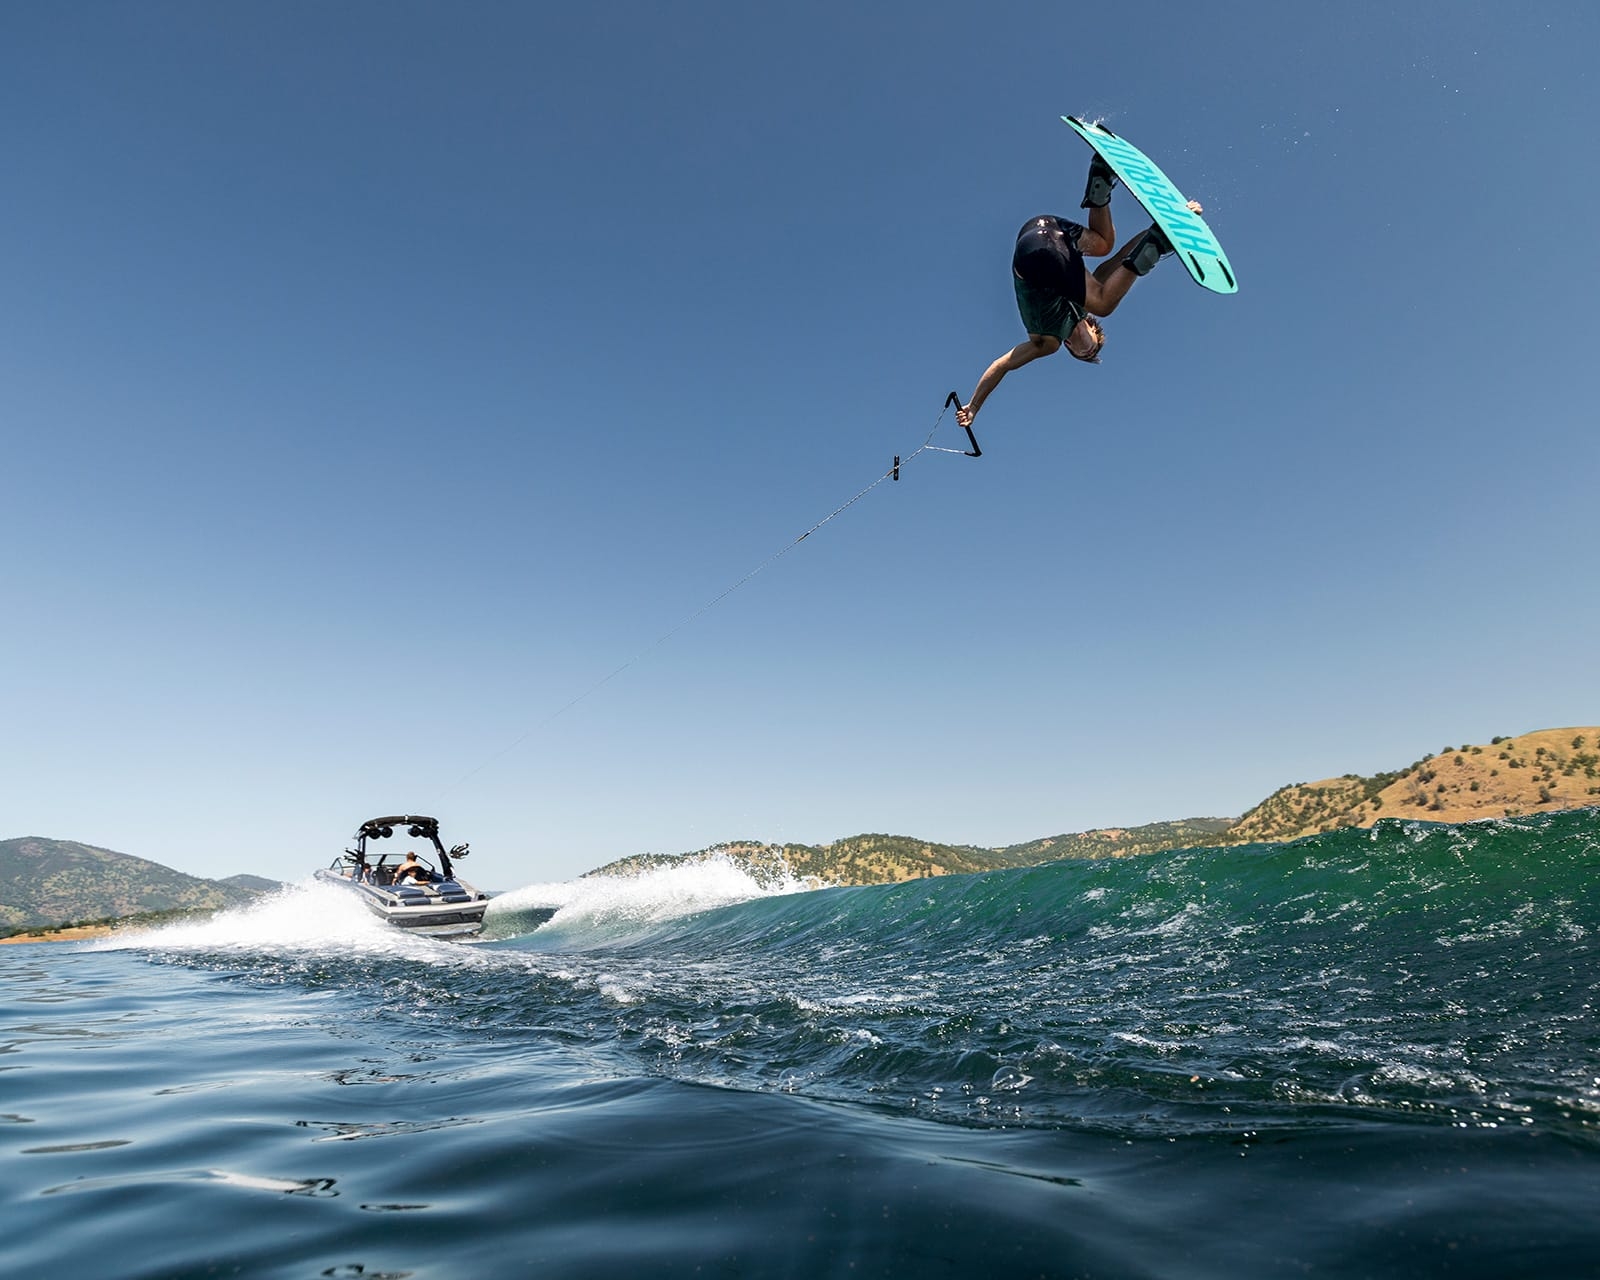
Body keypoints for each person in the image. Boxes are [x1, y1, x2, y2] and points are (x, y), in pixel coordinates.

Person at [956, 154, 1203, 428]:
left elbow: (1002, 365)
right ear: (1091, 328)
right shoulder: (1086, 300)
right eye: (1091, 350)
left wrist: (975, 405)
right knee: (1104, 245)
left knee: (1103, 299)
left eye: (1082, 354)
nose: (1086, 351)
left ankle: (1158, 240)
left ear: (1069, 346)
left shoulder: (1048, 343)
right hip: (1046, 228)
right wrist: (1169, 223)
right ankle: (1100, 181)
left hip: (1031, 256)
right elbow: (1122, 255)